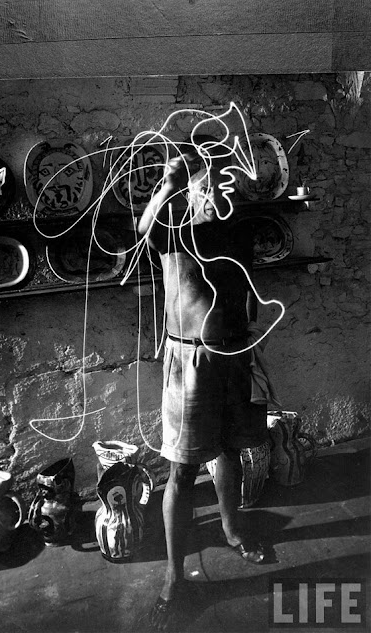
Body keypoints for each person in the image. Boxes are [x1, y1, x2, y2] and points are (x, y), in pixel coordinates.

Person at [138, 141, 269, 631]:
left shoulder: (238, 228)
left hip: (234, 355)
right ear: (190, 192)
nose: (216, 192)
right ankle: (174, 577)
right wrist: (169, 184)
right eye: (206, 185)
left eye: (223, 184)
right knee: (182, 469)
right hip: (189, 360)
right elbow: (143, 229)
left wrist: (249, 333)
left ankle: (233, 531)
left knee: (231, 450)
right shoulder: (174, 230)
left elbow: (247, 286)